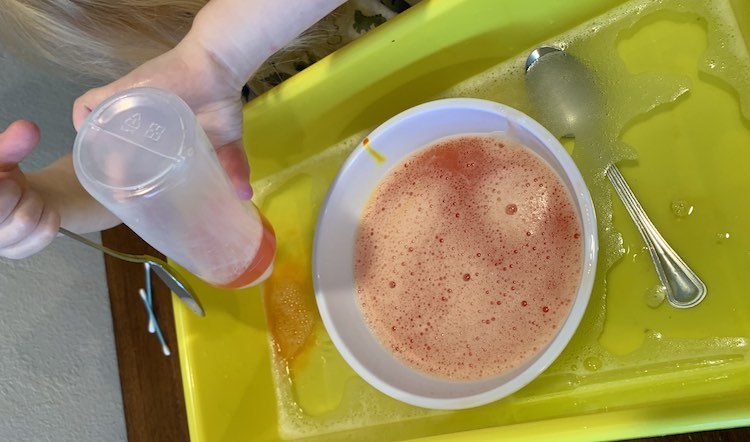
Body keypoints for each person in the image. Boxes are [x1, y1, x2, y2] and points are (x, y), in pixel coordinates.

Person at [0, 0, 415, 259]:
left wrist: (216, 55)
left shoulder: (204, 59)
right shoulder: (172, 61)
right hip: (363, 164)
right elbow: (132, 171)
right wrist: (47, 198)